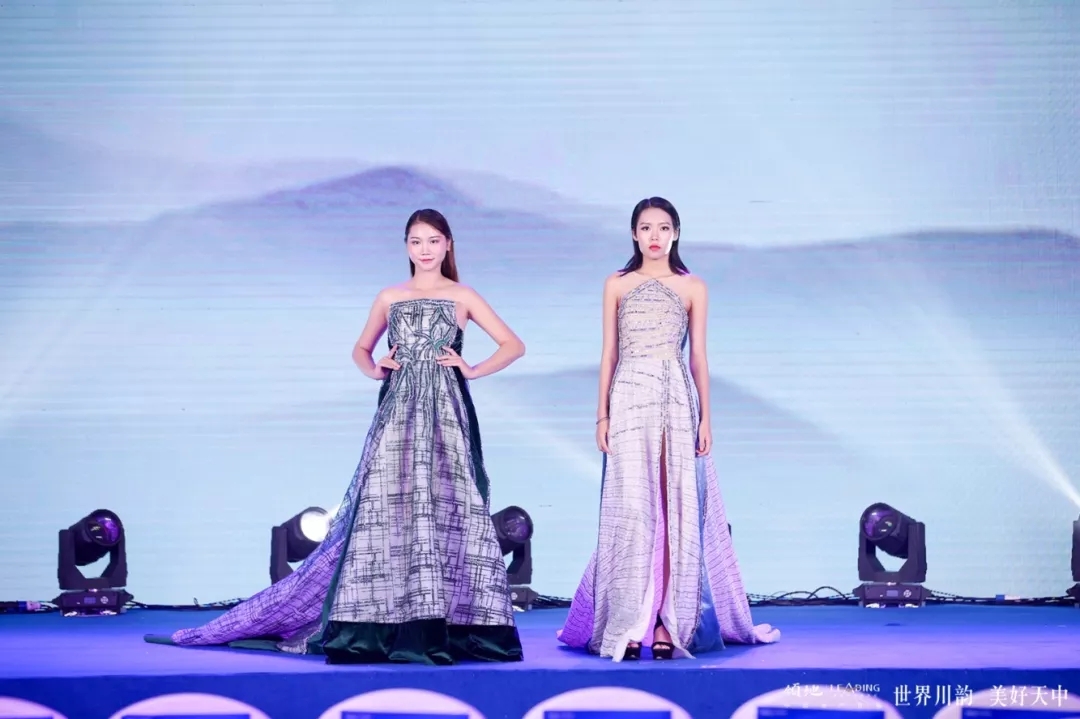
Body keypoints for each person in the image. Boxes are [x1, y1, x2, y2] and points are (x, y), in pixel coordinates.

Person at [145, 208, 526, 665]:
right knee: (386, 510)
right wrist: (375, 368)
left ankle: (451, 624)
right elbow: (361, 349)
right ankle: (381, 625)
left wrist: (472, 369)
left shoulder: (462, 295)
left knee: (448, 507)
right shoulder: (390, 296)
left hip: (446, 416)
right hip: (397, 415)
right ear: (406, 247)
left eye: (432, 241)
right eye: (415, 241)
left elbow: (513, 344)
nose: (424, 250)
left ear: (448, 244)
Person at [557, 197, 780, 661]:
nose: (654, 236)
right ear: (633, 234)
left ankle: (666, 622)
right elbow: (609, 353)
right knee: (632, 509)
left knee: (675, 505)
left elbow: (698, 356)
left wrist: (706, 417)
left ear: (676, 232)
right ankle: (629, 620)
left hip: (676, 397)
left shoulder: (692, 285)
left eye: (663, 228)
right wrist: (601, 415)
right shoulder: (617, 284)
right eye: (645, 228)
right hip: (628, 398)